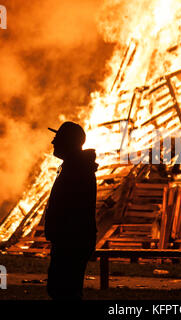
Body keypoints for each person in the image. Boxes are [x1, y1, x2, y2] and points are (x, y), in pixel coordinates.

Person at [45, 121, 98, 300]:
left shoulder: (77, 170)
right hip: (68, 240)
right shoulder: (74, 167)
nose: (53, 142)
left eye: (57, 138)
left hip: (71, 241)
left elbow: (73, 209)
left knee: (64, 292)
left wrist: (60, 233)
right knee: (61, 290)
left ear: (68, 142)